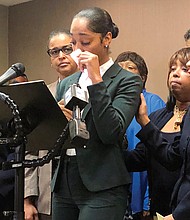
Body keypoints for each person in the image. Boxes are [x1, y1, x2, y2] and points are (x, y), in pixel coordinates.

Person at [52, 7, 142, 220]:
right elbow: (54, 138)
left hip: (103, 184)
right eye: (73, 43)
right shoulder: (67, 82)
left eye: (85, 42)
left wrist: (96, 80)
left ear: (106, 38)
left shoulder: (127, 80)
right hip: (65, 180)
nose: (77, 50)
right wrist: (54, 118)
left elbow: (111, 132)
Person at [125, 47, 190, 220]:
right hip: (159, 209)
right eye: (172, 69)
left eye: (184, 69)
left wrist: (145, 123)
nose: (175, 74)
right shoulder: (159, 116)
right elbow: (140, 158)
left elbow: (175, 161)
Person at [24, 30, 78, 220]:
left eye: (67, 49)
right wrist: (27, 200)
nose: (61, 56)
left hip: (85, 190)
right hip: (47, 193)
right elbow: (31, 148)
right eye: (54, 52)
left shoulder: (94, 87)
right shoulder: (41, 94)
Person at [115, 51, 165, 220]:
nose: (124, 71)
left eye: (130, 67)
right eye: (119, 68)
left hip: (142, 188)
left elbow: (157, 156)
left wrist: (146, 201)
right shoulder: (110, 103)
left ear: (142, 77)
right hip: (115, 188)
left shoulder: (154, 103)